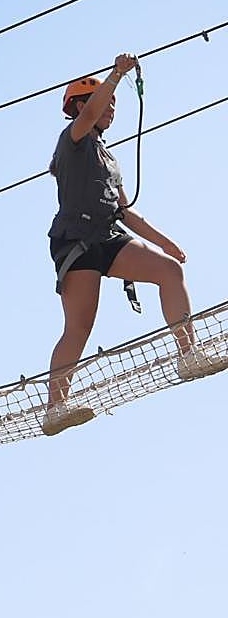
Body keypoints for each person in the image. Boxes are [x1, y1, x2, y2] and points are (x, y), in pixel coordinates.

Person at [42, 53, 226, 436]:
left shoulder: (107, 158)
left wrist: (167, 244)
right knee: (79, 327)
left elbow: (126, 212)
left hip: (108, 237)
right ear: (82, 105)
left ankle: (188, 354)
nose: (111, 108)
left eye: (113, 103)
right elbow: (89, 116)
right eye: (106, 102)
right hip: (76, 241)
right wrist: (116, 74)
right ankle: (55, 408)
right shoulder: (73, 138)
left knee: (169, 271)